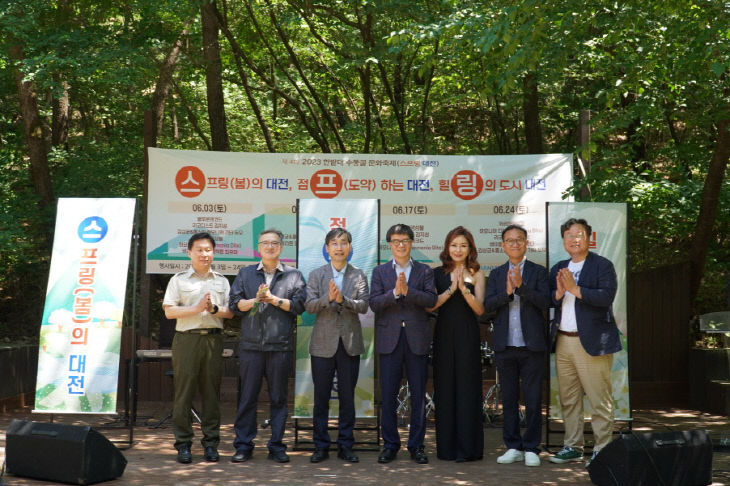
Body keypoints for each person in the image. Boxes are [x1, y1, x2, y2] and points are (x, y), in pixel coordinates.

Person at [228, 228, 306, 464]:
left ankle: (277, 445)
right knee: (247, 397)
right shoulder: (246, 274)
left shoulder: (293, 275)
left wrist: (274, 300)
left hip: (280, 347)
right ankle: (243, 445)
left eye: (274, 243)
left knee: (279, 398)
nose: (270, 247)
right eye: (265, 243)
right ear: (258, 248)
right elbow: (233, 305)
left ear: (281, 247)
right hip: (251, 347)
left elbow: (299, 306)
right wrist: (255, 300)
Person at [548, 218, 621, 466]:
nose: (574, 239)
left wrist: (575, 288)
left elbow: (606, 296)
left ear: (589, 237)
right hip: (563, 340)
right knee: (569, 399)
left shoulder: (602, 265)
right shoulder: (559, 266)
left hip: (592, 342)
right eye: (569, 235)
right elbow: (551, 301)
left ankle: (603, 449)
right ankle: (573, 446)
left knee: (599, 399)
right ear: (564, 241)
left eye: (579, 234)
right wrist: (559, 292)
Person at [162, 232, 234, 464]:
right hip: (186, 340)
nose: (204, 254)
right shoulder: (179, 280)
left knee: (211, 394)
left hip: (213, 340)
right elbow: (169, 311)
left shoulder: (222, 281)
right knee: (184, 393)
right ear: (190, 253)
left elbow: (230, 313)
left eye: (208, 250)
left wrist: (213, 309)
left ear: (213, 253)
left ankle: (211, 444)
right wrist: (195, 308)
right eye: (199, 250)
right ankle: (183, 444)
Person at [370, 223, 437, 464]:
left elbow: (431, 299)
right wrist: (395, 294)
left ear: (411, 243)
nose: (400, 244)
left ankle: (416, 446)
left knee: (418, 396)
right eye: (396, 241)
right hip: (389, 341)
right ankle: (390, 445)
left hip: (416, 340)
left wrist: (409, 292)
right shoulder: (379, 272)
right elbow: (374, 303)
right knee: (388, 395)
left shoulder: (424, 271)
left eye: (405, 240)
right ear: (389, 244)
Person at [484, 224, 550, 467]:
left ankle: (532, 447)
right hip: (505, 345)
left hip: (531, 346)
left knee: (533, 398)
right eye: (509, 240)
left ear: (526, 243)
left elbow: (545, 302)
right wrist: (508, 292)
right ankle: (513, 446)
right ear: (502, 245)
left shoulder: (538, 272)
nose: (514, 244)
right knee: (508, 399)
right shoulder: (497, 274)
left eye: (519, 240)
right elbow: (488, 306)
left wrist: (522, 287)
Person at [305, 228, 370, 464]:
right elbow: (309, 305)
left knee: (347, 398)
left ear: (350, 248)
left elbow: (363, 305)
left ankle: (345, 445)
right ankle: (320, 446)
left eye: (343, 243)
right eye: (334, 243)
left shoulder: (359, 275)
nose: (339, 247)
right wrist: (329, 299)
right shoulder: (316, 275)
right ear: (327, 248)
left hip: (349, 345)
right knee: (321, 398)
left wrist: (344, 300)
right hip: (323, 345)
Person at [428, 226, 485, 462]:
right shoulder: (436, 273)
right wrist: (452, 289)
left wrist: (465, 290)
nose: (458, 249)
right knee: (445, 388)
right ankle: (447, 449)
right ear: (447, 247)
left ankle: (468, 449)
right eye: (454, 245)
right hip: (443, 335)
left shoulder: (477, 273)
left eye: (463, 245)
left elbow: (480, 310)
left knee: (467, 388)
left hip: (468, 335)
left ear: (470, 248)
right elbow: (431, 305)